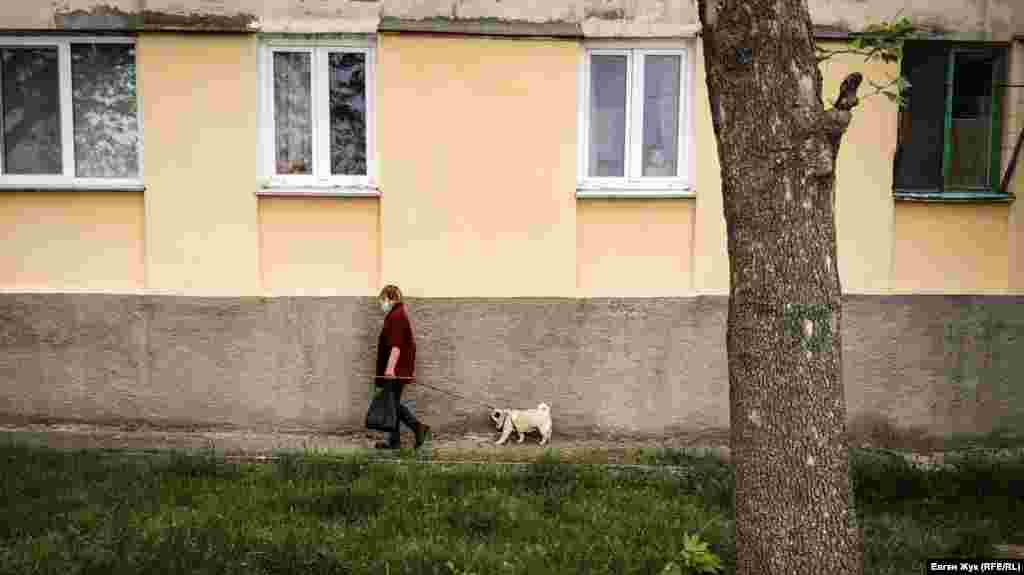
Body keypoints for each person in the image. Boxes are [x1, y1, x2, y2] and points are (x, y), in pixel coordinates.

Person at [375, 284, 431, 450]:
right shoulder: (395, 314)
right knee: (392, 404)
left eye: (382, 300)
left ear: (390, 298)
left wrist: (390, 368)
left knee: (392, 404)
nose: (381, 304)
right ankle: (395, 441)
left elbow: (396, 346)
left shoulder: (397, 316)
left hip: (396, 370)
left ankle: (418, 428)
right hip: (397, 368)